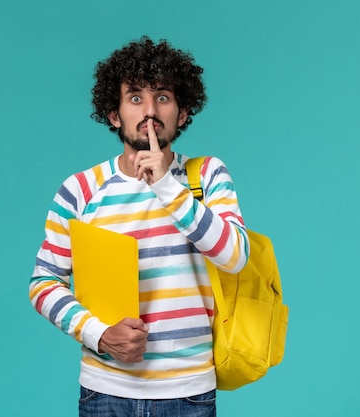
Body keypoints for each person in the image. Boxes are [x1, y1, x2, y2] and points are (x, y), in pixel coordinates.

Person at [29, 36, 249, 417]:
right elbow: (43, 283)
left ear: (182, 113)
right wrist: (98, 334)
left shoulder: (208, 175)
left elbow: (235, 257)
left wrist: (166, 185)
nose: (149, 110)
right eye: (135, 98)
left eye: (162, 97)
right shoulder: (80, 190)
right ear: (114, 115)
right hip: (104, 392)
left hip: (189, 393)